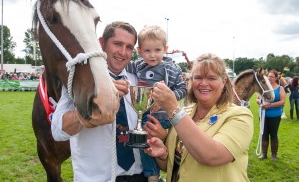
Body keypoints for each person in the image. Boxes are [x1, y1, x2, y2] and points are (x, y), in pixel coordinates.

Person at [51, 21, 148, 182]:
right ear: (101, 43)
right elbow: (57, 132)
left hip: (138, 177)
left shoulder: (138, 82)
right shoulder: (79, 81)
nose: (123, 52)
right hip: (96, 178)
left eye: (129, 47)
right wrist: (94, 105)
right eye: (117, 44)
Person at [145, 53, 254, 182]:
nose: (203, 83)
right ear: (191, 81)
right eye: (198, 77)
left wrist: (173, 108)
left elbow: (212, 156)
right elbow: (171, 167)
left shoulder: (240, 116)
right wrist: (162, 154)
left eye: (211, 78)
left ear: (223, 81)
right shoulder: (184, 113)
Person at [126, 25, 186, 182]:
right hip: (142, 112)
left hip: (161, 116)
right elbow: (120, 65)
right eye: (147, 51)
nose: (152, 55)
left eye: (157, 50)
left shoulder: (171, 68)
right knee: (141, 140)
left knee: (143, 141)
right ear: (139, 51)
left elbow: (183, 88)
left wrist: (168, 98)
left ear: (165, 49)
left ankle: (153, 175)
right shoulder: (138, 65)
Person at [256, 69, 286, 161]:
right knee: (264, 134)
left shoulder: (280, 88)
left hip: (275, 115)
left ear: (276, 78)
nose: (269, 78)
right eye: (268, 76)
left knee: (273, 135)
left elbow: (282, 101)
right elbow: (257, 99)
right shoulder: (264, 87)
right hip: (263, 114)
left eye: (272, 76)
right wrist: (261, 103)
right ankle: (264, 154)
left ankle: (274, 155)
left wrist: (270, 105)